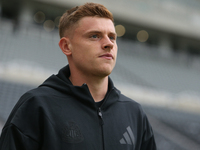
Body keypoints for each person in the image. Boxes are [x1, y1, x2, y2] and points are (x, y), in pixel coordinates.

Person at [0, 2, 157, 150]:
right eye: (95, 36)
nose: (108, 43)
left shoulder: (134, 113)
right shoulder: (36, 106)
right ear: (67, 46)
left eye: (112, 37)